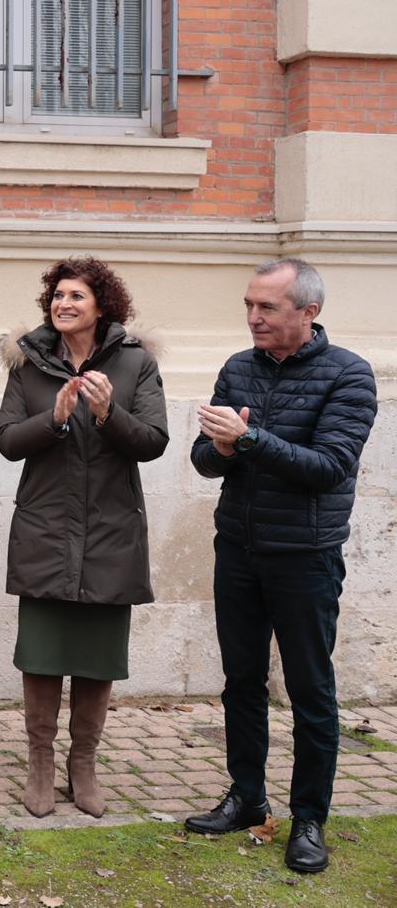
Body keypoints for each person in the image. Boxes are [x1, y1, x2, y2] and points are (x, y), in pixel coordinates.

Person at [184, 258, 376, 875]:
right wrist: (220, 448)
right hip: (238, 549)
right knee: (241, 681)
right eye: (249, 305)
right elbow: (203, 460)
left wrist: (249, 440)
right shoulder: (238, 368)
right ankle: (247, 797)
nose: (253, 317)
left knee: (310, 690)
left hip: (306, 557)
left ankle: (309, 818)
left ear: (308, 312)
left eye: (266, 307)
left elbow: (330, 466)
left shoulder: (349, 374)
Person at [0, 257, 169, 818]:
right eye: (58, 295)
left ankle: (84, 763)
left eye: (76, 296)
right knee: (42, 655)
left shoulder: (136, 362)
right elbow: (6, 440)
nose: (63, 304)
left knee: (97, 657)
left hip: (111, 531)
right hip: (45, 528)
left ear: (101, 307)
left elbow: (153, 441)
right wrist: (56, 418)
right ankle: (40, 763)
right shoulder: (29, 364)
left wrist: (107, 412)